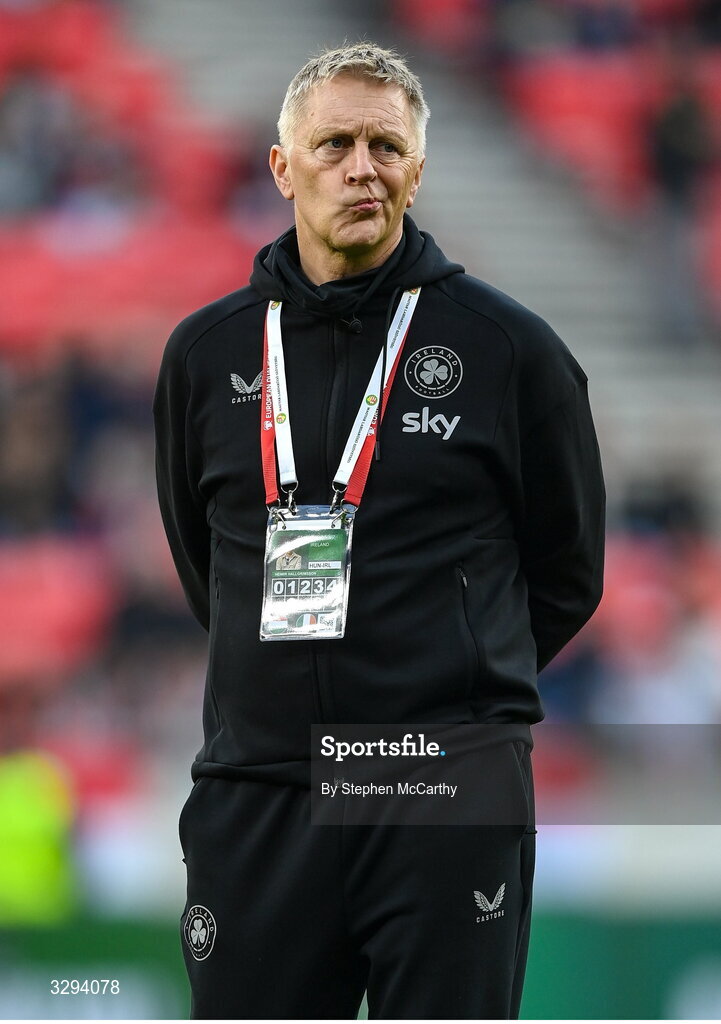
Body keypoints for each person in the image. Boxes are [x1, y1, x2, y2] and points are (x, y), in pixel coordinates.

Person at [153, 41, 605, 1020]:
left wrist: (450, 678)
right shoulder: (206, 355)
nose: (362, 167)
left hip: (440, 779)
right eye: (334, 145)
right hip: (262, 783)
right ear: (283, 168)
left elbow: (568, 571)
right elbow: (211, 571)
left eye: (386, 146)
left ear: (418, 168)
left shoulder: (508, 350)